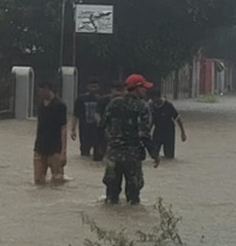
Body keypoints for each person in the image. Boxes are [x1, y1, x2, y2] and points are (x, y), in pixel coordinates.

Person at [101, 75, 160, 205]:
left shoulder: (113, 103)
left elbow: (102, 125)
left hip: (113, 155)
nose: (146, 91)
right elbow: (144, 134)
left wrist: (108, 146)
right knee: (133, 199)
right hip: (132, 156)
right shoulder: (142, 107)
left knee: (111, 196)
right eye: (144, 88)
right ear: (137, 88)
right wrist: (154, 154)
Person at [34, 81, 68, 185]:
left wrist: (63, 152)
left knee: (57, 181)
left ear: (47, 88)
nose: (38, 93)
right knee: (38, 180)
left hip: (55, 148)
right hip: (40, 147)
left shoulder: (60, 105)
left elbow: (64, 129)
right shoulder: (40, 104)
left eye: (40, 91)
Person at [71, 79, 103, 161]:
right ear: (87, 87)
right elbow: (75, 115)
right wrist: (73, 130)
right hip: (84, 129)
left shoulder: (101, 100)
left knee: (98, 153)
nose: (93, 89)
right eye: (91, 86)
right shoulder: (80, 99)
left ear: (98, 88)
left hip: (98, 130)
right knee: (85, 153)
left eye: (95, 87)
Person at [150, 90, 187, 160]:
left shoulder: (168, 105)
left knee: (169, 157)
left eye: (153, 99)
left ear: (158, 97)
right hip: (157, 131)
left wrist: (183, 133)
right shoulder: (152, 106)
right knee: (153, 153)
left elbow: (178, 118)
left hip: (169, 132)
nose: (153, 101)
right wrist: (148, 131)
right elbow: (152, 120)